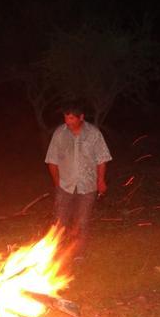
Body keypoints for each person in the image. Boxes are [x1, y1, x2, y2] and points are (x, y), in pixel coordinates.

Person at [44, 102, 111, 258]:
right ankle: (56, 252)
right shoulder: (59, 133)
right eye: (66, 118)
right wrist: (57, 183)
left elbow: (102, 159)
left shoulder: (94, 133)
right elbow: (52, 161)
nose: (68, 122)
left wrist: (101, 181)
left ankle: (77, 253)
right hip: (65, 185)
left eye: (72, 118)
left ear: (81, 117)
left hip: (87, 185)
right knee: (60, 221)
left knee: (82, 221)